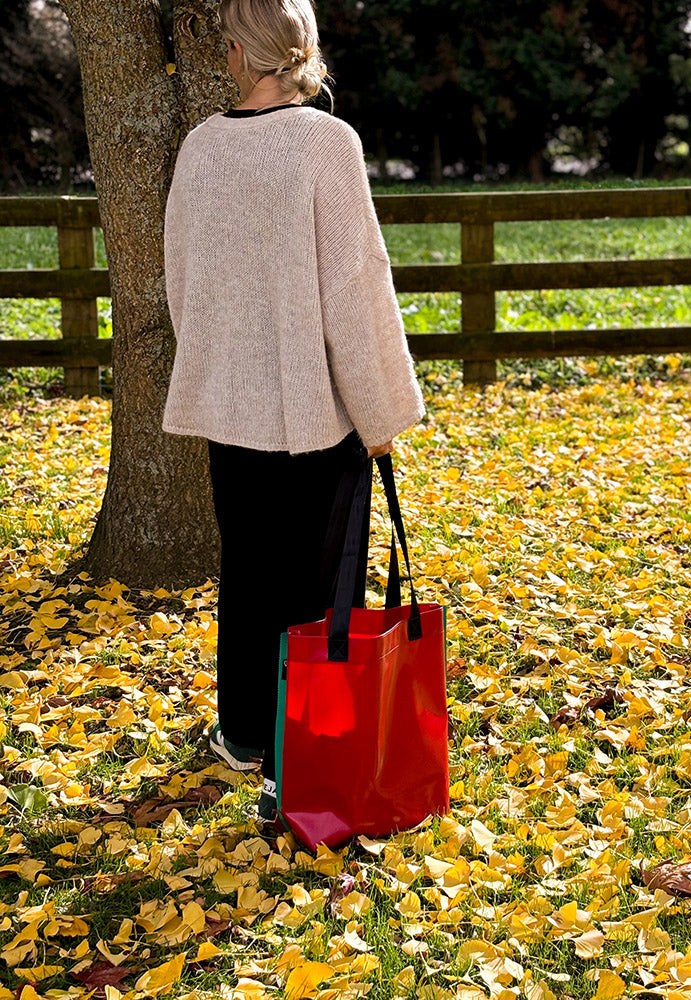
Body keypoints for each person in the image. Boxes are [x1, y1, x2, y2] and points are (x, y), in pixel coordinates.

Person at [161, 0, 425, 820]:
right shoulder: (326, 143)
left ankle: (245, 732)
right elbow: (356, 287)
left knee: (247, 571)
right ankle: (301, 745)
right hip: (317, 410)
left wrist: (218, 364)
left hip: (230, 407)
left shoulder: (201, 148)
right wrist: (380, 414)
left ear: (240, 53)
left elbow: (180, 276)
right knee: (314, 587)